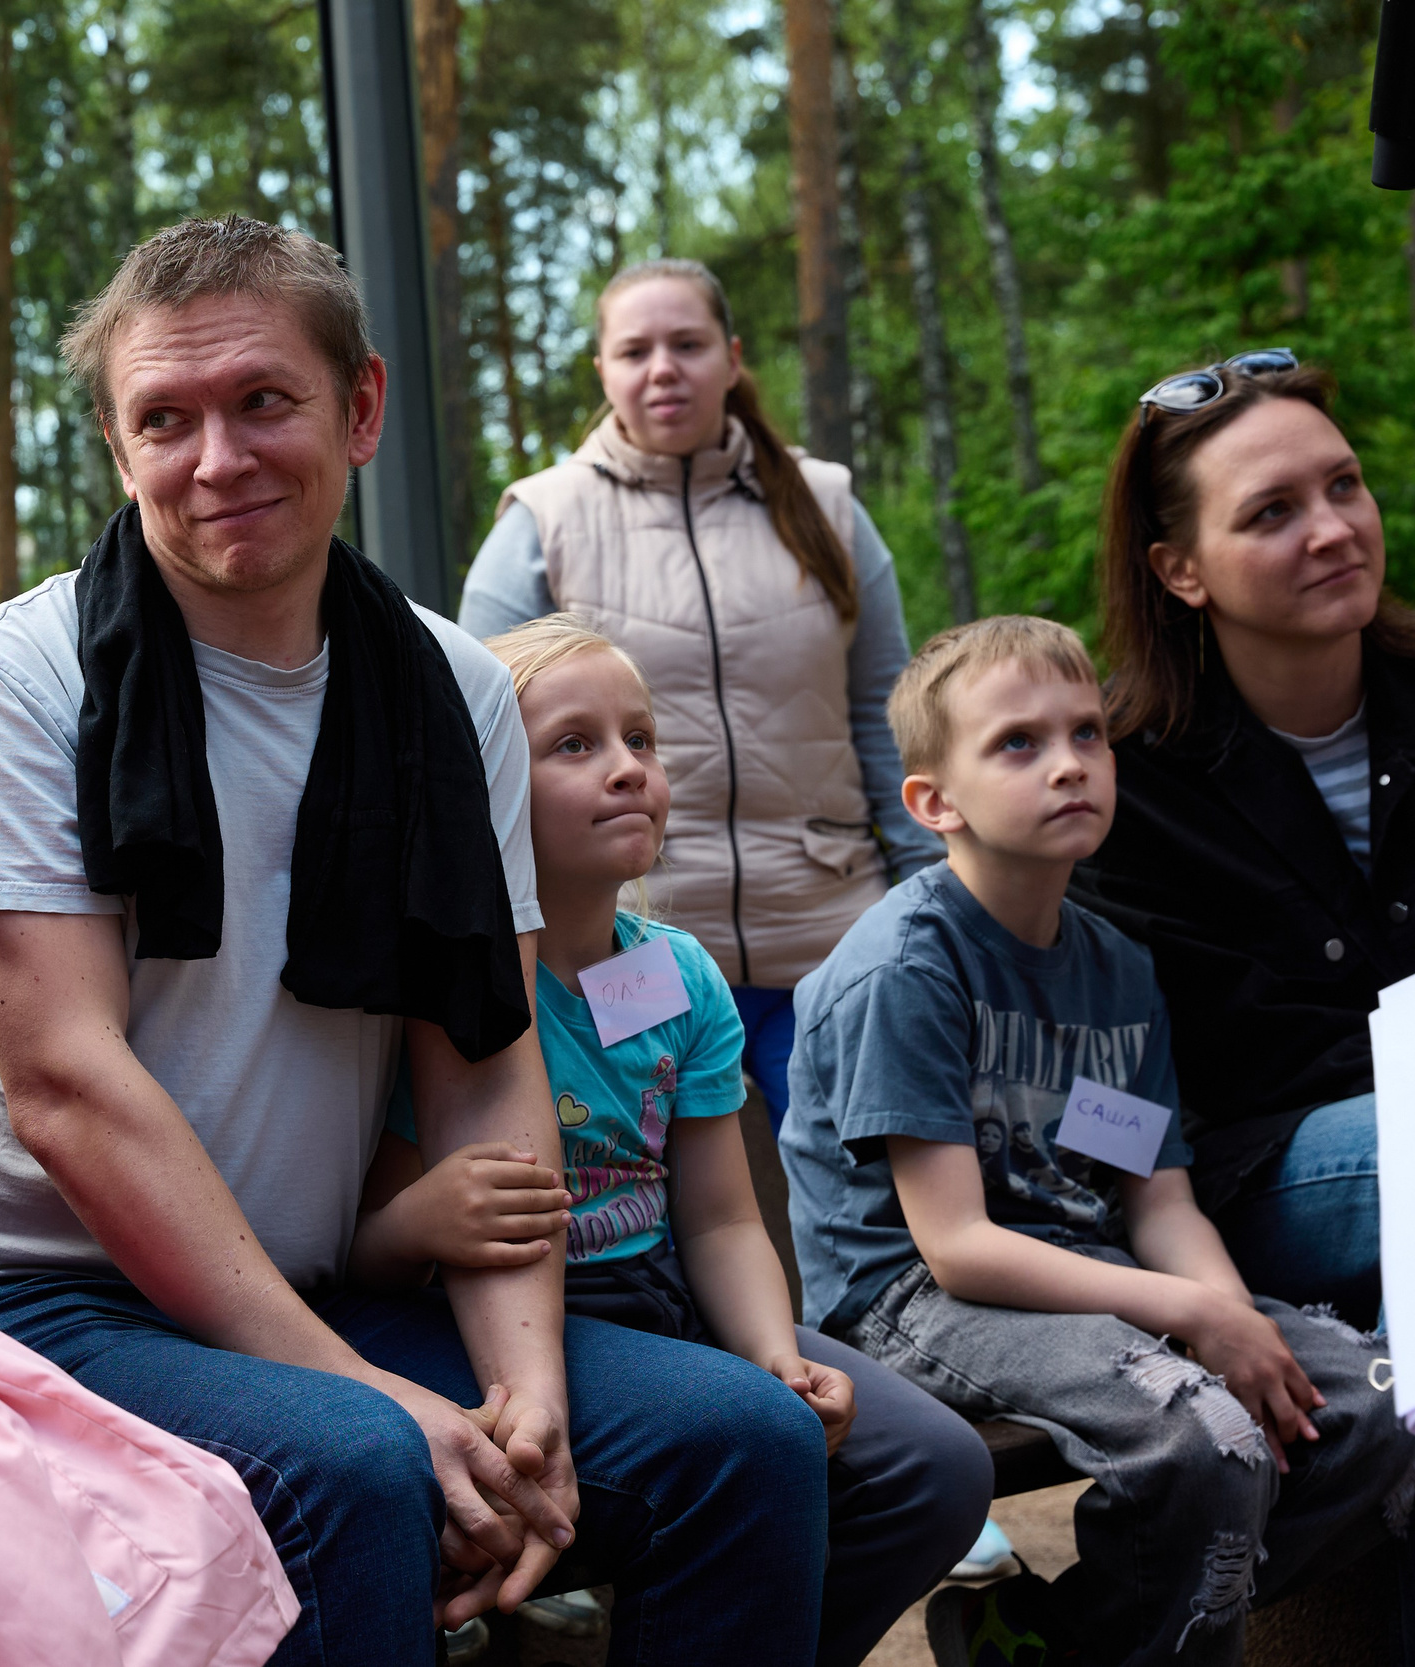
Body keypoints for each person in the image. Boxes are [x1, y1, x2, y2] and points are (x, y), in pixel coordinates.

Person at [0, 215, 836, 1665]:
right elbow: (68, 1089)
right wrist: (373, 1394)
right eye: (164, 419)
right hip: (22, 1299)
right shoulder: (3, 681)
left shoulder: (451, 685)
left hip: (313, 1295)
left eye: (264, 399)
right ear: (119, 451)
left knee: (744, 1442)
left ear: (360, 405)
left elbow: (485, 1070)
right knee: (355, 1465)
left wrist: (527, 1391)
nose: (217, 457)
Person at [351, 613, 989, 1667]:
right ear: (486, 788)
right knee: (746, 1445)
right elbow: (363, 1255)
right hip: (515, 1336)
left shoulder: (682, 975)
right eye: (574, 746)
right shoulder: (443, 986)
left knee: (936, 1469)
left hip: (667, 1303)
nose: (625, 771)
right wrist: (413, 1222)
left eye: (639, 741)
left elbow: (723, 1217)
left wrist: (773, 1356)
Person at [781, 614, 1415, 1667]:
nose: (1069, 764)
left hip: (1083, 1269)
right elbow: (955, 1245)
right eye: (1018, 743)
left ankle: (1049, 1641)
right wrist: (1191, 1315)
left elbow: (1156, 1197)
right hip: (911, 1297)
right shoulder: (907, 967)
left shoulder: (1116, 965)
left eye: (1087, 734)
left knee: (1380, 1408)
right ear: (936, 803)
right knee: (1205, 1440)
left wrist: (1225, 1314)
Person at [457, 259, 937, 1131]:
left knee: (862, 1208)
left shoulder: (827, 505)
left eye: (688, 344)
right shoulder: (541, 520)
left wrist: (932, 903)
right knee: (664, 1222)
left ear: (732, 356)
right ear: (601, 371)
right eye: (634, 350)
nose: (663, 368)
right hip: (626, 956)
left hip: (832, 941)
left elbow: (888, 717)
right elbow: (483, 746)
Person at [1070, 354, 1410, 1329]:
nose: (1334, 529)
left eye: (1343, 485)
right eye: (1272, 513)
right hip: (1245, 1180)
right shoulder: (1118, 786)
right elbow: (1162, 1083)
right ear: (1180, 571)